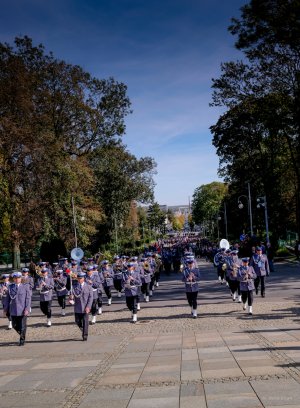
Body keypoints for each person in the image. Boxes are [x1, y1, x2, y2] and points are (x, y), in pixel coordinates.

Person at [3, 271, 31, 346]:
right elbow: (7, 299)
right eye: (15, 278)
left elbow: (28, 299)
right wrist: (5, 309)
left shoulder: (25, 286)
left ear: (21, 278)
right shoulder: (10, 287)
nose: (16, 279)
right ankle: (22, 334)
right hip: (13, 310)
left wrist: (27, 309)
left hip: (22, 309)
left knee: (22, 325)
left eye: (18, 278)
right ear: (13, 279)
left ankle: (22, 340)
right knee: (14, 325)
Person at [69, 271, 93, 341]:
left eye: (80, 278)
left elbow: (90, 297)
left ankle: (85, 335)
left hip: (86, 307)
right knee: (77, 321)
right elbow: (72, 296)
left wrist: (88, 306)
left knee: (85, 322)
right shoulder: (74, 286)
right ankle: (83, 330)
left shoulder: (88, 286)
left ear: (84, 278)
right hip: (77, 307)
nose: (79, 279)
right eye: (78, 278)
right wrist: (71, 297)